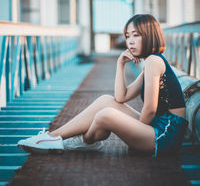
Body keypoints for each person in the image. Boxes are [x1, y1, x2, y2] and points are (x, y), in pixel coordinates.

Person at [18, 14, 188, 157]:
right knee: (106, 101)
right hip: (158, 127)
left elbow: (150, 109)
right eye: (127, 36)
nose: (130, 41)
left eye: (136, 35)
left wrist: (136, 134)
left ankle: (82, 141)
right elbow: (121, 97)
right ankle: (55, 137)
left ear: (150, 35)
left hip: (165, 136)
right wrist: (120, 64)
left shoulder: (153, 61)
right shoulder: (150, 64)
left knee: (106, 115)